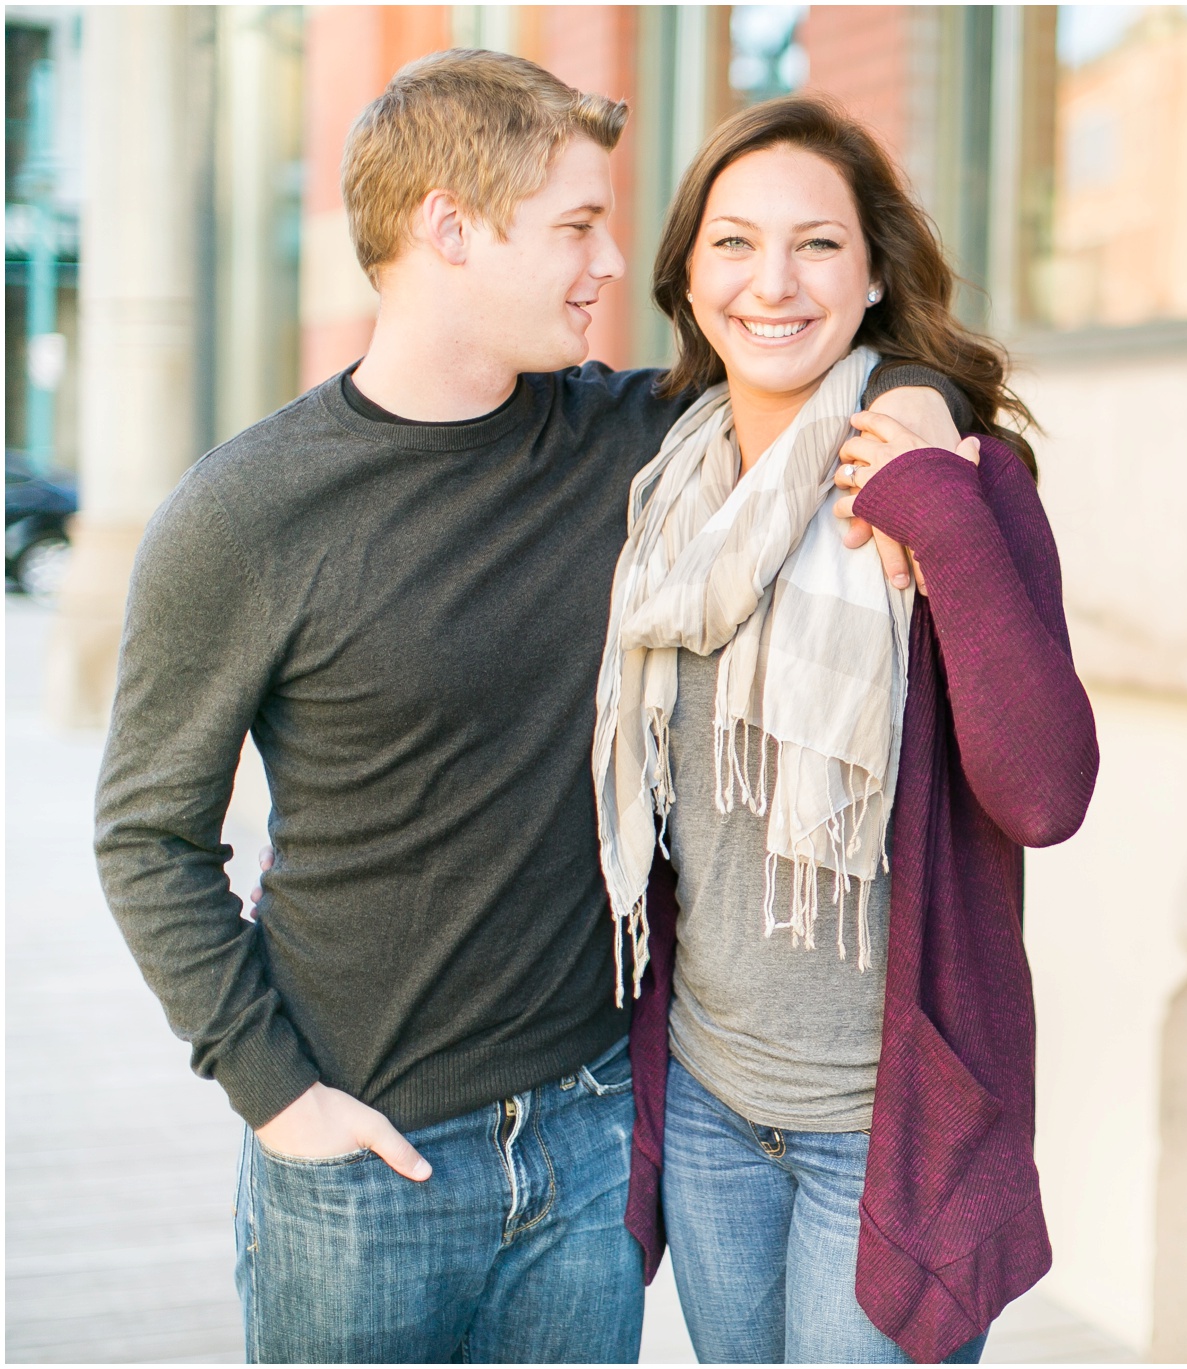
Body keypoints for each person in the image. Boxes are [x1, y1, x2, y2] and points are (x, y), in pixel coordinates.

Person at [93, 51, 965, 1364]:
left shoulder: (625, 442)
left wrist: (920, 400)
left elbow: (823, 361)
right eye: (574, 226)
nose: (612, 262)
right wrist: (276, 1098)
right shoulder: (247, 515)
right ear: (450, 227)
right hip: (363, 1168)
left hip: (590, 1141)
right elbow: (147, 836)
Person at [594, 95, 1099, 1365]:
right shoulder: (664, 484)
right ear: (687, 275)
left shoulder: (959, 480)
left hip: (883, 1130)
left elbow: (1044, 792)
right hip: (710, 1102)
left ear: (874, 273)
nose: (772, 283)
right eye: (733, 244)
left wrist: (933, 501)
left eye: (816, 244)